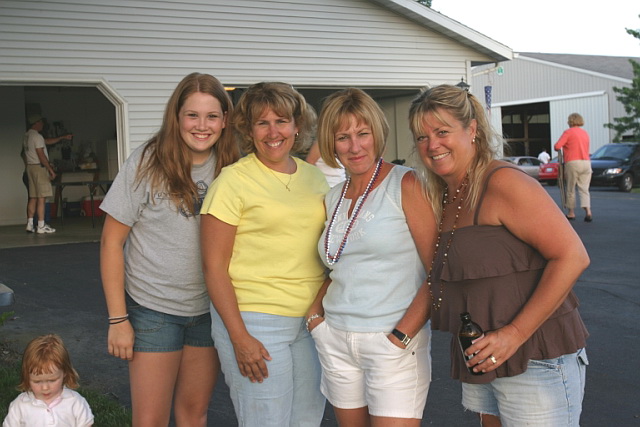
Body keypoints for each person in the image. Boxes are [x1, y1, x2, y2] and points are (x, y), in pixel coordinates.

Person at [408, 84, 590, 427]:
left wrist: (515, 334)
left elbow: (572, 256)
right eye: (422, 137)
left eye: (442, 132)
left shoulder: (503, 182)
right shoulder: (447, 194)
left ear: (472, 129)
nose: (432, 145)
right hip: (482, 359)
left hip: (535, 358)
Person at [100, 72, 239, 427]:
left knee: (194, 415)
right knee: (150, 420)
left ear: (225, 120)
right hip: (153, 309)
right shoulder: (147, 161)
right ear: (176, 117)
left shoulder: (233, 166)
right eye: (192, 115)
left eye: (212, 116)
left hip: (209, 309)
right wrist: (118, 319)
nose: (202, 126)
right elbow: (111, 241)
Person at [201, 82, 328, 426]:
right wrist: (239, 337)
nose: (273, 132)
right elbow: (213, 268)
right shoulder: (232, 181)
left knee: (307, 420)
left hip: (310, 321)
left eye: (282, 121)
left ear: (297, 125)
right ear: (248, 130)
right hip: (254, 320)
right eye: (262, 123)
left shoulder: (315, 179)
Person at [307, 88, 436, 425]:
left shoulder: (406, 185)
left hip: (392, 342)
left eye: (362, 134)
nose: (355, 146)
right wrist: (315, 318)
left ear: (377, 134)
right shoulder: (333, 196)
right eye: (343, 137)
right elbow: (338, 266)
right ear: (331, 144)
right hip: (335, 338)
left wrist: (401, 337)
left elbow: (439, 270)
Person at [3, 334, 94, 427]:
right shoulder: (20, 405)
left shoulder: (75, 402)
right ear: (27, 377)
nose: (45, 388)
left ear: (65, 372)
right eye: (37, 381)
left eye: (52, 380)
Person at [23, 114, 72, 234]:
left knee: (33, 197)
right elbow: (41, 154)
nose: (42, 124)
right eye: (40, 122)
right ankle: (41, 225)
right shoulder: (37, 136)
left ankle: (30, 224)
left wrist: (62, 137)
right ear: (36, 123)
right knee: (42, 197)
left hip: (30, 167)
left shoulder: (27, 135)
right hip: (39, 168)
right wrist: (50, 169)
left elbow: (46, 142)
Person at [554, 113, 593, 221]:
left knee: (570, 188)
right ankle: (588, 211)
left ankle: (571, 212)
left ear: (570, 121)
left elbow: (557, 146)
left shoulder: (568, 132)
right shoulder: (585, 133)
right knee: (584, 188)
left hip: (573, 162)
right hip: (586, 162)